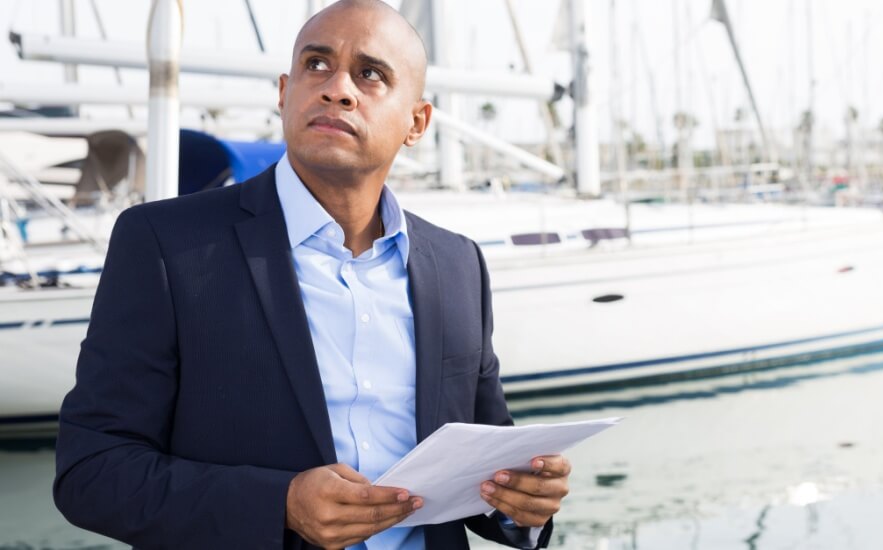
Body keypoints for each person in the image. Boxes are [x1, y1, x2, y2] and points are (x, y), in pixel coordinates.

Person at [53, 1, 568, 548]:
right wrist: (281, 504)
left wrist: (523, 506)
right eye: (317, 64)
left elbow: (486, 464)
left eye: (370, 74)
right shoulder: (164, 245)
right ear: (284, 92)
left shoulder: (458, 263)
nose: (337, 88)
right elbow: (93, 471)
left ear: (416, 122)